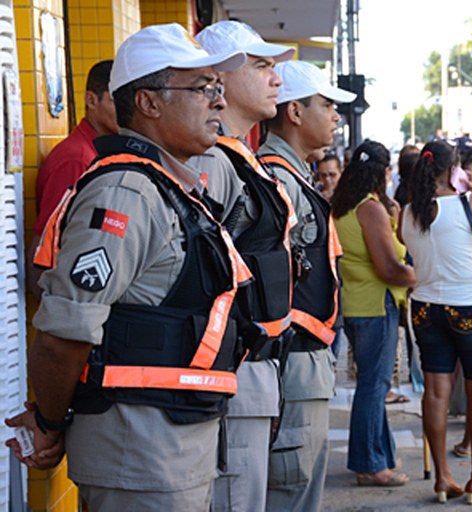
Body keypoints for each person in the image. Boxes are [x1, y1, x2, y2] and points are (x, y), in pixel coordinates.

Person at [5, 23, 248, 510]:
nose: (219, 102)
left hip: (174, 449)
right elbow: (62, 335)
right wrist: (50, 423)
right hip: (140, 457)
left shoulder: (172, 187)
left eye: (217, 89)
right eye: (203, 89)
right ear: (149, 103)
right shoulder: (125, 193)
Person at [193, 21, 296, 512]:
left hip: (252, 369)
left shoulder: (236, 156)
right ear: (221, 77)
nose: (277, 79)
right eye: (262, 67)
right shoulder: (212, 162)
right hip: (233, 372)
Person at [258, 60, 355, 512]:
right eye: (327, 105)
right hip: (289, 364)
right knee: (289, 495)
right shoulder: (277, 178)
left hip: (304, 362)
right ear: (294, 111)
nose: (336, 116)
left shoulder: (294, 175)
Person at [399, 140, 472, 504]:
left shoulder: (409, 211)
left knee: (435, 392)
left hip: (426, 309)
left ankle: (443, 477)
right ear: (455, 170)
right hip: (471, 309)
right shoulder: (471, 203)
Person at [331, 140, 416, 486]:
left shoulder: (343, 205)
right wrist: (421, 275)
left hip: (356, 302)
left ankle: (379, 457)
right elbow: (389, 268)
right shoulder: (370, 209)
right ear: (383, 172)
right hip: (375, 304)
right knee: (373, 385)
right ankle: (369, 464)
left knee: (372, 384)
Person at [27, 60, 118, 298]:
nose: (126, 111)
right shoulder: (77, 160)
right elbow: (46, 239)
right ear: (91, 100)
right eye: (115, 100)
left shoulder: (99, 153)